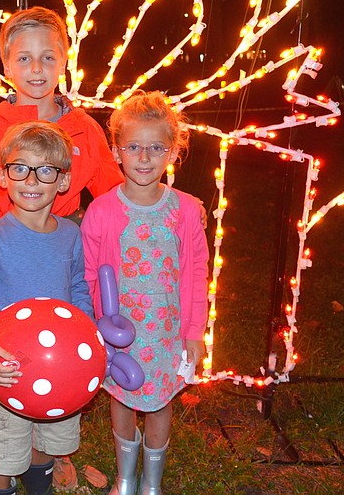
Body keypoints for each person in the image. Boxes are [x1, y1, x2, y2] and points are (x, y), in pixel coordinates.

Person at [0, 122, 94, 495]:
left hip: (61, 371)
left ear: (62, 181)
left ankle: (40, 488)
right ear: (3, 176)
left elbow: (78, 289)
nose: (31, 180)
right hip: (8, 373)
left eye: (45, 170)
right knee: (5, 456)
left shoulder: (70, 235)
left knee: (44, 445)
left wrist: (89, 338)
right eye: (20, 168)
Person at [80, 92, 209, 495]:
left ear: (172, 152)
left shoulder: (186, 211)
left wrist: (193, 331)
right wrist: (93, 326)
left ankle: (151, 484)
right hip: (120, 335)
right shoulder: (101, 211)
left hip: (166, 333)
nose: (144, 157)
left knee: (159, 404)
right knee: (121, 400)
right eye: (134, 147)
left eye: (156, 148)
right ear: (117, 150)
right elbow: (86, 274)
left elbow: (196, 273)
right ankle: (125, 479)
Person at [0, 6, 123, 290]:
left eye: (48, 57)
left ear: (63, 63)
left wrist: (172, 206)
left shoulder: (84, 130)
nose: (37, 68)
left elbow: (118, 200)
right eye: (24, 58)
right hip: (0, 272)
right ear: (6, 66)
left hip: (61, 272)